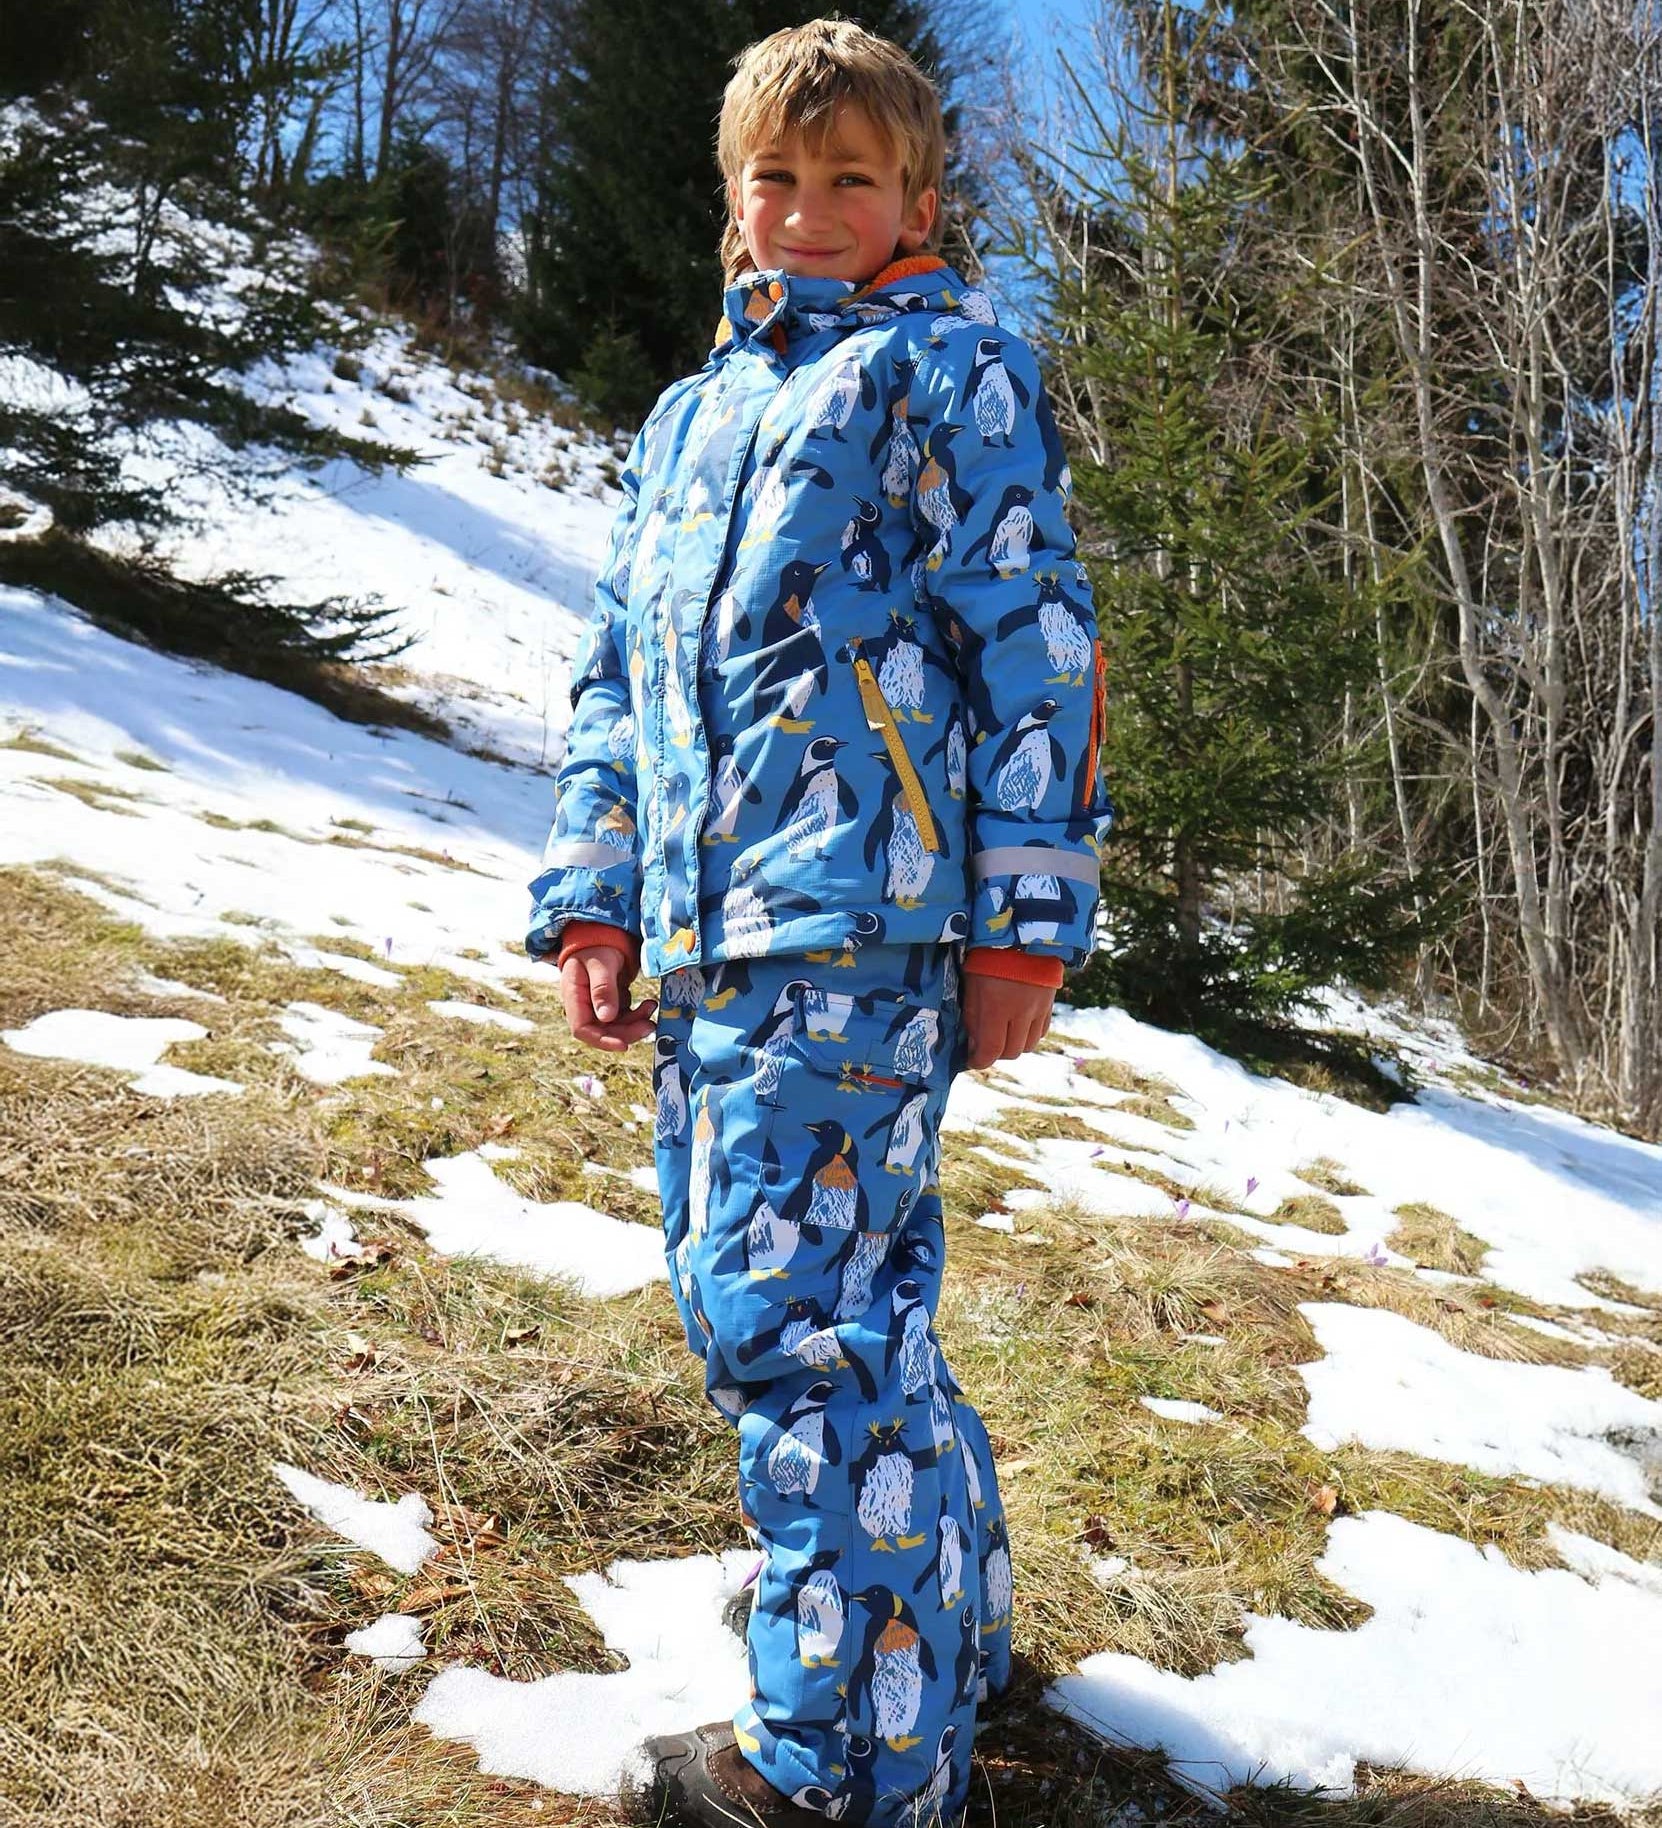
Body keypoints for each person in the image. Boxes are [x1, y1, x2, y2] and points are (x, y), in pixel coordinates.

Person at [527, 20, 1111, 1825]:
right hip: (715, 927)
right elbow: (619, 678)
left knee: (786, 1319)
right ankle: (934, 1634)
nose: (806, 210)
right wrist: (600, 899)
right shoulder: (693, 417)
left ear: (916, 195)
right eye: (776, 178)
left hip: (856, 924)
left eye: (848, 178)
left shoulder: (950, 374)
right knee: (856, 1311)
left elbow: (1037, 648)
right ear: (731, 199)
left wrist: (1023, 924)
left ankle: (827, 1770)